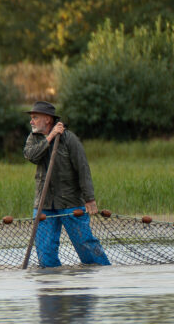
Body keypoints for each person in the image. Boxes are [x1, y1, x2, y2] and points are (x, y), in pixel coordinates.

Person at [23, 101, 110, 268]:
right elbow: (31, 156)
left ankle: (104, 274)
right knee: (45, 251)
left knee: (85, 244)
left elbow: (83, 169)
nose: (31, 121)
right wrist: (49, 138)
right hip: (44, 203)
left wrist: (89, 199)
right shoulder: (32, 138)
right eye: (31, 118)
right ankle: (52, 286)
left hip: (70, 202)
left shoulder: (69, 139)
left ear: (48, 120)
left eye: (35, 117)